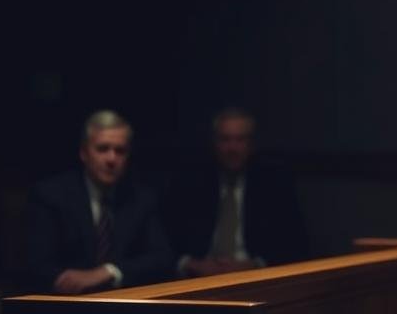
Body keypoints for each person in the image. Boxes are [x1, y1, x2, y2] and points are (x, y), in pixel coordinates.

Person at [25, 110, 173, 293]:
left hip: (123, 300)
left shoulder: (141, 198)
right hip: (66, 300)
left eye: (120, 151)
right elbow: (36, 264)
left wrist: (110, 271)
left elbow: (162, 257)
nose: (111, 159)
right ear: (84, 153)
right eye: (102, 149)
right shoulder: (51, 195)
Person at [165, 107, 308, 276]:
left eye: (240, 139)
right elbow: (165, 241)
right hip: (199, 278)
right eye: (225, 139)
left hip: (255, 277)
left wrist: (255, 264)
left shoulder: (274, 185)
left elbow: (294, 243)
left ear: (252, 144)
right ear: (214, 143)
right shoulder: (189, 182)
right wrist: (191, 264)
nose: (232, 148)